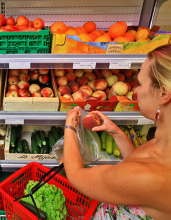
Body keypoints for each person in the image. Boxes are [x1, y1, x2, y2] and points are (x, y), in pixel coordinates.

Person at [63, 43, 171, 220]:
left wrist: (69, 128)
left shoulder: (149, 178)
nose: (135, 90)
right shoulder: (164, 142)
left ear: (163, 94)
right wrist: (116, 133)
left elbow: (77, 175)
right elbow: (137, 164)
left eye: (141, 84)